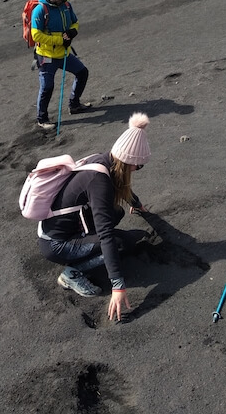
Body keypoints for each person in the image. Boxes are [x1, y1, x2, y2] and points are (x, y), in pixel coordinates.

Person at [38, 112, 151, 321]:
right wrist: (118, 285)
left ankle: (85, 248)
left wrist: (137, 204)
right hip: (56, 244)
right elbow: (106, 233)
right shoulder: (100, 183)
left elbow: (121, 185)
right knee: (120, 243)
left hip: (56, 228)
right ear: (129, 162)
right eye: (139, 166)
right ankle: (72, 273)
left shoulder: (102, 160)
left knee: (116, 212)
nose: (138, 169)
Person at [31, 0, 91, 130]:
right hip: (46, 56)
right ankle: (42, 119)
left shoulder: (67, 5)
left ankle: (74, 104)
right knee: (47, 87)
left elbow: (75, 22)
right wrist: (60, 39)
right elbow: (36, 35)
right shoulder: (40, 10)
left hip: (64, 53)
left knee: (82, 72)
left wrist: (72, 32)